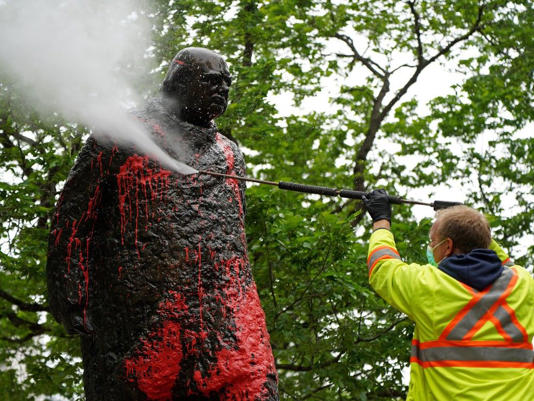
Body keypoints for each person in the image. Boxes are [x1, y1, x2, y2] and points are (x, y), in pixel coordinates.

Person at [47, 47, 278, 401]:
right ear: (179, 81)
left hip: (231, 316)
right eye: (213, 81)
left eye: (227, 83)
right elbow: (73, 217)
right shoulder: (121, 134)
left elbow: (238, 232)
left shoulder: (230, 152)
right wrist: (70, 293)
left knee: (254, 389)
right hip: (142, 319)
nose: (223, 89)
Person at [362, 189, 534, 401]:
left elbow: (382, 267)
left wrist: (381, 221)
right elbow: (505, 263)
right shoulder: (523, 284)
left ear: (448, 246)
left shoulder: (427, 286)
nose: (431, 247)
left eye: (433, 242)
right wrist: (470, 223)